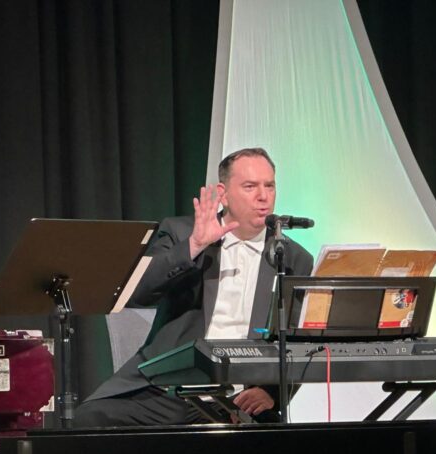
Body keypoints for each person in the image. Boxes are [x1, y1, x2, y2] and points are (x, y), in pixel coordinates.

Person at [74, 147, 314, 427]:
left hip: (239, 396)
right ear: (223, 193)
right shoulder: (181, 233)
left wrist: (271, 393)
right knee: (90, 420)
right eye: (250, 186)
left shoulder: (293, 257)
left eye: (269, 186)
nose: (263, 196)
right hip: (171, 390)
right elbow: (137, 292)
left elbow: (299, 341)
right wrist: (194, 246)